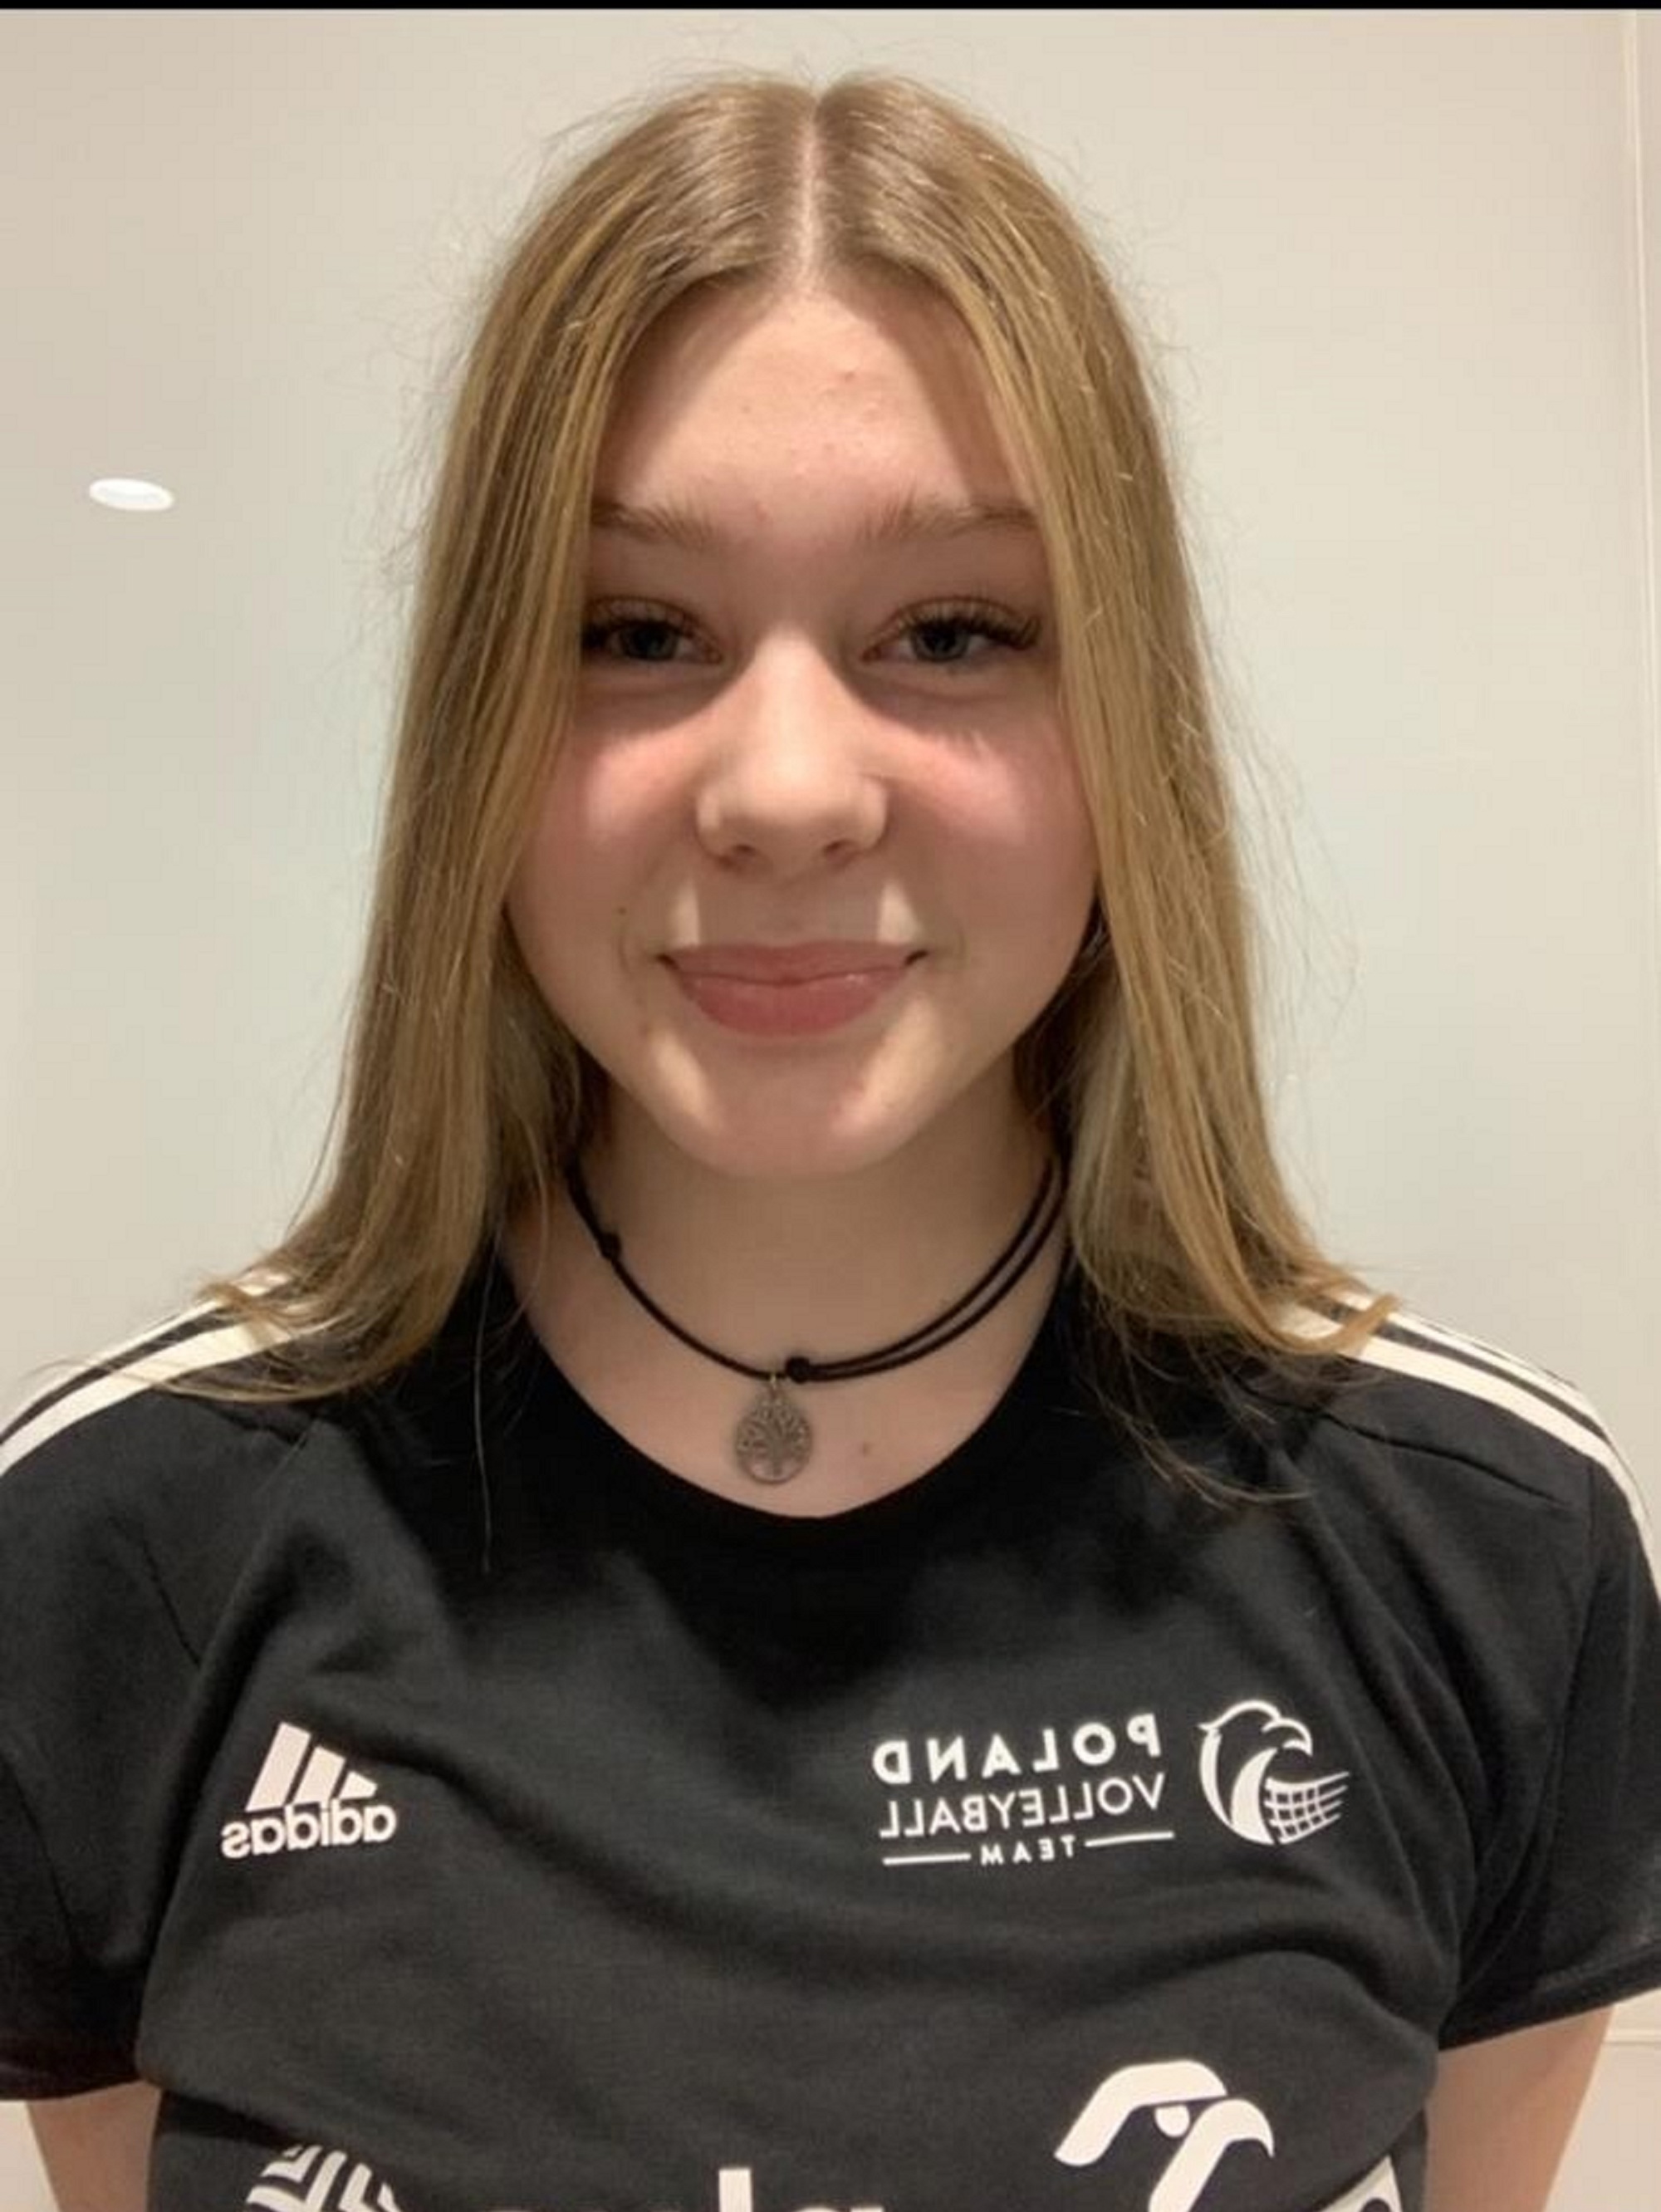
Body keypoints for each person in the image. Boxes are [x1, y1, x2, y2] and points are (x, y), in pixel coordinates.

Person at [2, 62, 1657, 2212]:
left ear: (1125, 724)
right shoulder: (110, 1560)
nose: (785, 789)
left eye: (953, 632)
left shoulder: (1492, 1554)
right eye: (634, 633)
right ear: (479, 725)